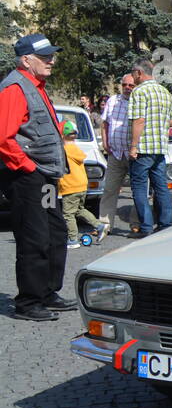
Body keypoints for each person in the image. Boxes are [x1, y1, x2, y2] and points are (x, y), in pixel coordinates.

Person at [0, 33, 72, 321]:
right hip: (26, 176)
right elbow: (4, 138)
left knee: (56, 232)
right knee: (34, 238)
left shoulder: (36, 85)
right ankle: (28, 302)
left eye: (52, 55)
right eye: (45, 57)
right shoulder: (15, 88)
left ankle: (46, 292)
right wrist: (29, 168)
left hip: (44, 175)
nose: (51, 60)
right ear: (26, 60)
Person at [127, 58, 172, 237]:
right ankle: (165, 225)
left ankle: (146, 228)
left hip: (143, 148)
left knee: (139, 187)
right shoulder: (165, 92)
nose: (132, 77)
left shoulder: (139, 92)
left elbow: (139, 120)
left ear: (139, 73)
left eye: (133, 73)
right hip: (160, 147)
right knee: (161, 186)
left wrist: (133, 146)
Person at [99, 72, 139, 236]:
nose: (127, 88)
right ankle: (105, 224)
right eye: (124, 85)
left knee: (138, 191)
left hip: (134, 155)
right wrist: (105, 142)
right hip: (115, 153)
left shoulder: (140, 101)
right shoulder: (113, 101)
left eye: (131, 85)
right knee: (109, 189)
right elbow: (105, 123)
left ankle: (136, 223)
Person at [59, 119, 107, 248]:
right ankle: (99, 225)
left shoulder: (63, 150)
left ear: (61, 135)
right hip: (81, 185)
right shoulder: (75, 148)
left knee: (68, 214)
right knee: (79, 209)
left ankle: (73, 239)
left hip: (70, 186)